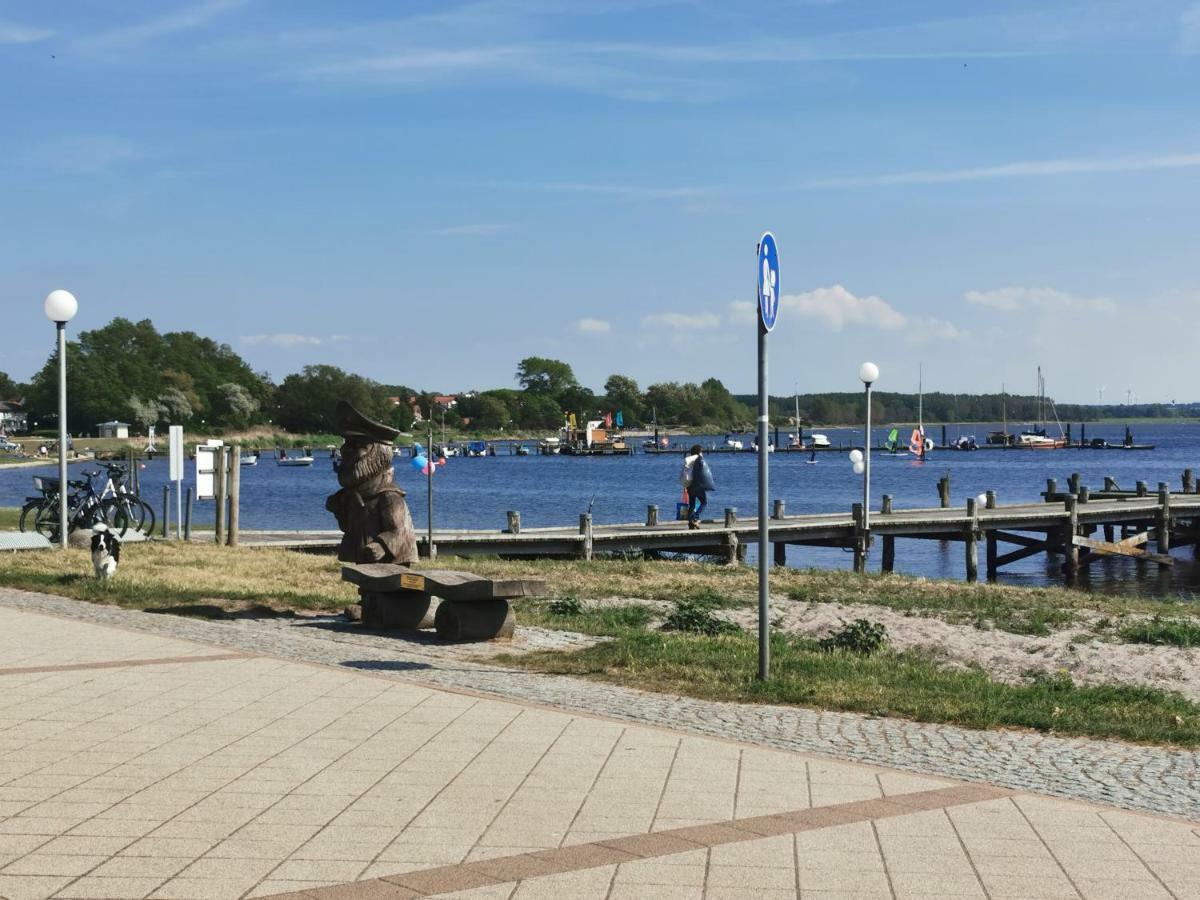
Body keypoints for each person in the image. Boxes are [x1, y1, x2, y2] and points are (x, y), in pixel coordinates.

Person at [680, 443, 714, 529]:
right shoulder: (699, 460)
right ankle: (695, 518)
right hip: (697, 485)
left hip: (689, 485)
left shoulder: (689, 460)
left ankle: (691, 524)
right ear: (699, 452)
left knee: (692, 504)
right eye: (701, 451)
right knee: (704, 502)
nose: (702, 453)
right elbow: (701, 474)